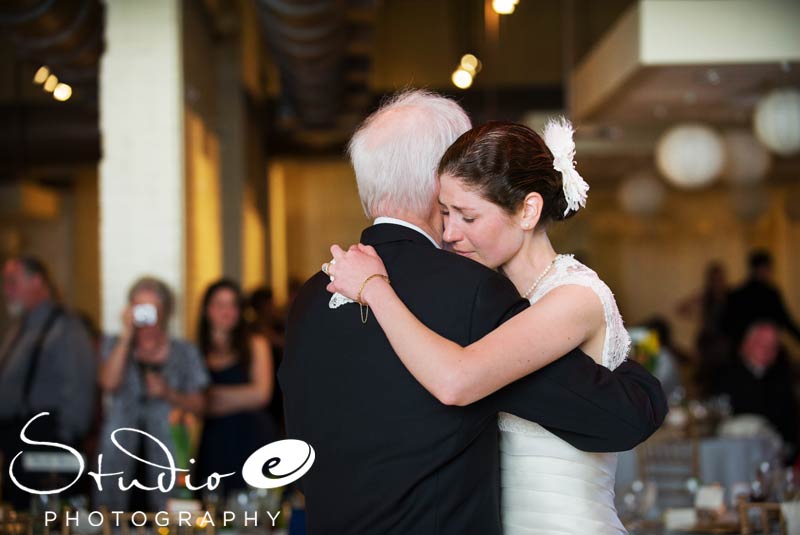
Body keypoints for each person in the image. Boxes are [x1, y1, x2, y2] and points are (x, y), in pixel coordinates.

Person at [279, 90, 667, 535]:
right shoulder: (470, 291)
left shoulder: (311, 297)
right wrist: (639, 385)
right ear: (436, 181)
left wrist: (375, 288)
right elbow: (617, 417)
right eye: (448, 212)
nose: (451, 231)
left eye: (464, 214)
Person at [95, 276, 209, 511]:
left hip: (169, 456)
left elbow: (201, 405)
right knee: (114, 517)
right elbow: (108, 383)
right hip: (119, 454)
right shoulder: (115, 345)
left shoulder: (185, 352)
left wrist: (169, 393)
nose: (146, 320)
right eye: (139, 309)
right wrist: (127, 335)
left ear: (165, 312)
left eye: (152, 310)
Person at [0, 255, 96, 508]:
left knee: (45, 518)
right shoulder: (20, 327)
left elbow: (80, 391)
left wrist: (63, 444)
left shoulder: (66, 327)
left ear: (37, 281)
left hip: (47, 443)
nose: (6, 290)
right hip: (16, 440)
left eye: (12, 282)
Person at [195, 279, 277, 499]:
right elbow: (193, 402)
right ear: (206, 310)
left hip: (252, 437)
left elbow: (261, 395)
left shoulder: (256, 343)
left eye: (232, 305)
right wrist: (241, 396)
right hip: (211, 441)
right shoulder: (195, 351)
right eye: (219, 304)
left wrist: (210, 398)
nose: (226, 311)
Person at [718, 321, 799, 465]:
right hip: (738, 457)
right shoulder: (726, 375)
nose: (768, 350)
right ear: (746, 344)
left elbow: (791, 425)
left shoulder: (781, 377)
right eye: (761, 344)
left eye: (773, 346)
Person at [723, 250, 800, 347]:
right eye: (768, 268)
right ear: (759, 269)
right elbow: (786, 320)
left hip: (750, 348)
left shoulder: (737, 293)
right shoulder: (770, 293)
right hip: (755, 349)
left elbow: (786, 320)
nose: (769, 273)